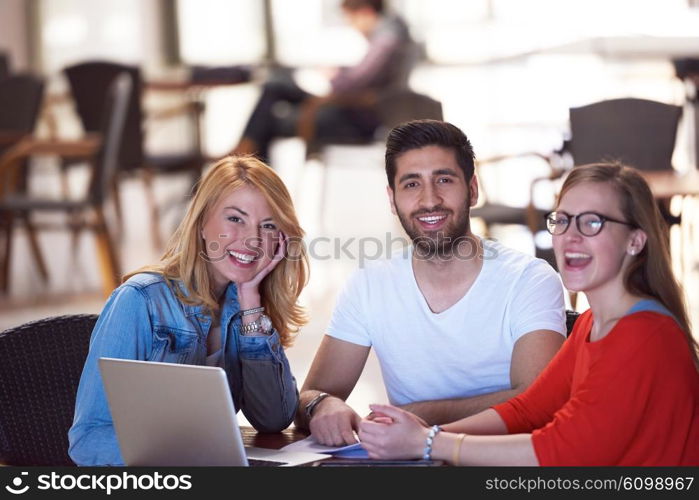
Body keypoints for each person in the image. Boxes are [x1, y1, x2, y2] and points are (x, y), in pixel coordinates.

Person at [359, 163, 699, 465]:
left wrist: (430, 443)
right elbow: (530, 409)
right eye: (563, 221)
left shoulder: (642, 335)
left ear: (635, 241)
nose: (571, 237)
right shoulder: (593, 324)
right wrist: (424, 434)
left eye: (592, 223)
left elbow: (559, 451)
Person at [296, 119, 567, 446]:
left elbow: (538, 402)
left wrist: (419, 415)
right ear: (392, 199)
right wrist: (322, 404)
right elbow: (309, 397)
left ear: (473, 189)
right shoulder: (369, 284)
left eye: (444, 179)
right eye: (411, 184)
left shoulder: (529, 280)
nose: (429, 200)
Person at [68, 155, 309, 466]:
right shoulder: (139, 300)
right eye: (235, 219)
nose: (252, 239)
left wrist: (250, 301)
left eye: (268, 225)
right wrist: (184, 461)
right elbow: (87, 440)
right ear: (202, 223)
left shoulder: (246, 308)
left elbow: (272, 418)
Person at [233, 0, 416, 162]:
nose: (352, 26)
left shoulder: (388, 40)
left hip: (356, 118)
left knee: (270, 119)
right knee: (276, 84)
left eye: (351, 19)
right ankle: (247, 150)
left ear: (366, 12)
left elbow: (351, 84)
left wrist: (333, 76)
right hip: (351, 108)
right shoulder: (391, 33)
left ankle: (248, 156)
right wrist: (338, 74)